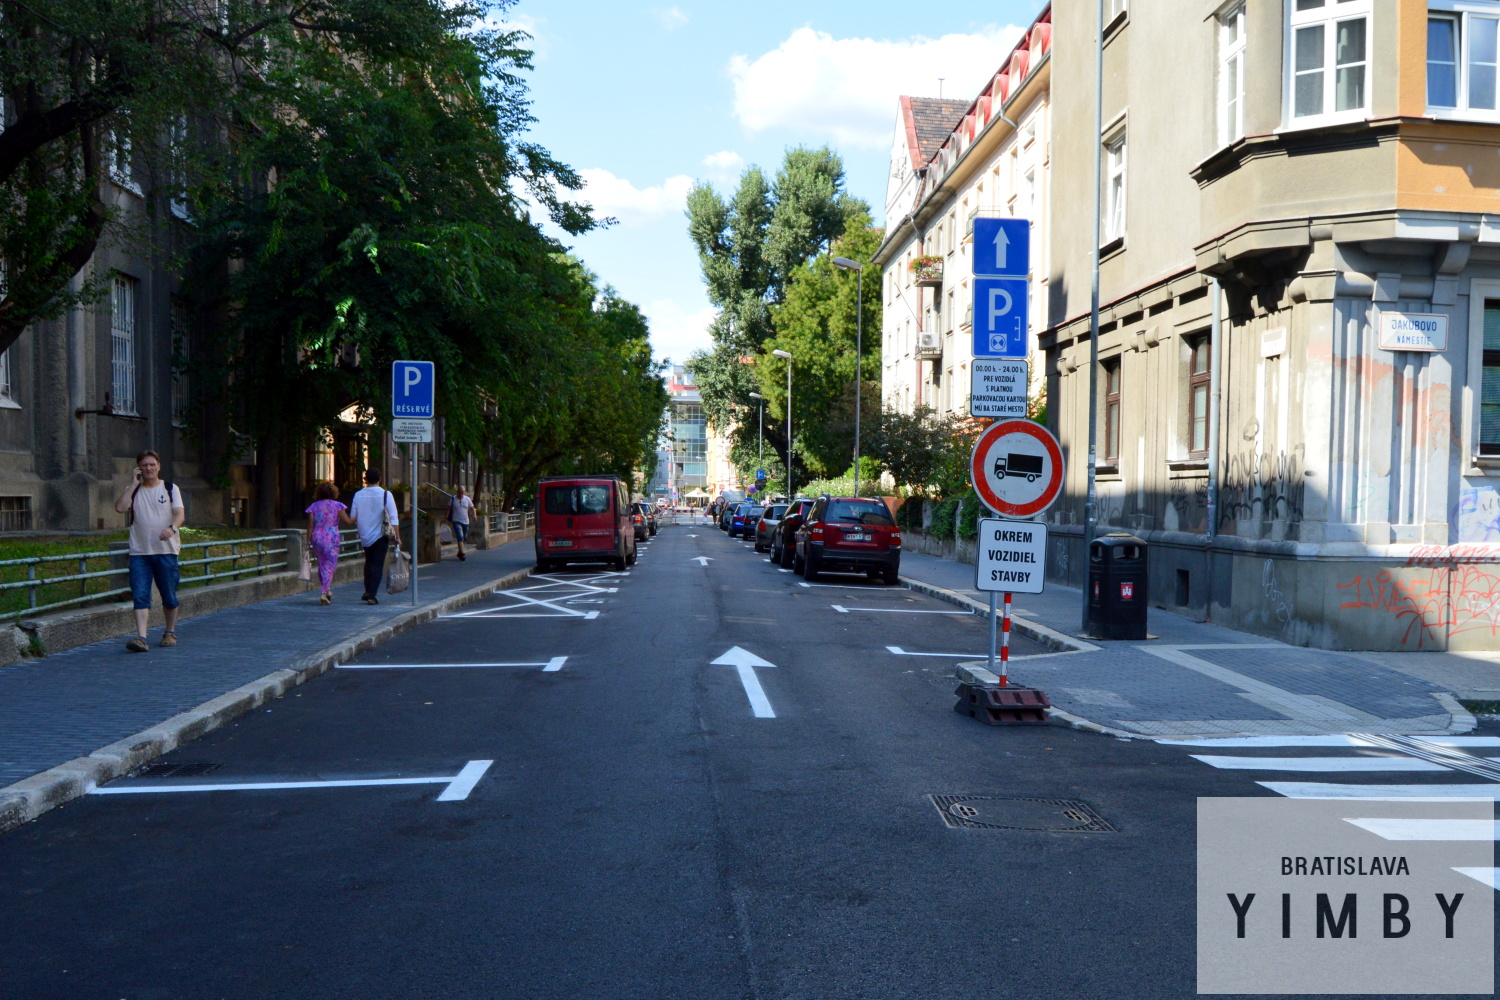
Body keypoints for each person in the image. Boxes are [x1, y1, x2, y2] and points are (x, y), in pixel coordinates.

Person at [113, 450, 185, 652]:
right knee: (140, 595)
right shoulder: (134, 490)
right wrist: (133, 484)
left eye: (152, 464)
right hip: (140, 553)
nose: (149, 468)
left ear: (158, 466)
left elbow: (180, 515)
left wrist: (172, 529)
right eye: (144, 465)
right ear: (139, 468)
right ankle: (141, 638)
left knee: (168, 596)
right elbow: (120, 508)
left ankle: (169, 632)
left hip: (166, 551)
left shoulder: (170, 488)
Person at [349, 468, 400, 605]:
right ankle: (372, 595)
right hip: (381, 534)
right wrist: (398, 537)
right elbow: (393, 517)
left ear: (365, 479)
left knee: (369, 562)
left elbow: (353, 516)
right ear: (380, 479)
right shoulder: (386, 494)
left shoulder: (358, 495)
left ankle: (367, 590)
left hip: (364, 534)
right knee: (378, 564)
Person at [305, 482, 354, 605]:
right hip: (332, 537)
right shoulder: (338, 506)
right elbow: (348, 521)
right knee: (330, 565)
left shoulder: (314, 506)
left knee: (322, 564)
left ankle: (327, 590)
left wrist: (308, 542)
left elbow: (310, 525)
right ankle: (324, 592)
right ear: (334, 492)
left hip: (317, 537)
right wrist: (358, 515)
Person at [447, 485, 475, 561]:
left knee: (464, 538)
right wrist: (446, 517)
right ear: (457, 492)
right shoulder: (453, 499)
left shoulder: (467, 499)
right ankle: (462, 554)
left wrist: (474, 515)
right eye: (460, 493)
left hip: (465, 521)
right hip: (456, 520)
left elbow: (472, 508)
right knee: (460, 537)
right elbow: (448, 509)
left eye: (462, 493)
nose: (461, 494)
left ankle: (459, 552)